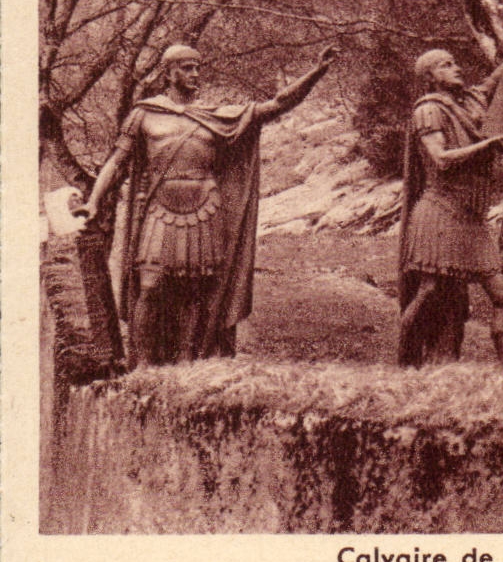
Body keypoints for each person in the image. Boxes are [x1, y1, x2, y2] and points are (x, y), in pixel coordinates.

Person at [74, 43, 336, 365]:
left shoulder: (216, 117)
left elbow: (277, 105)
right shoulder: (144, 113)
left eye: (197, 67)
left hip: (205, 210)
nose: (195, 74)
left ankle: (187, 363)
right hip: (160, 209)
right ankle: (142, 365)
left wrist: (316, 72)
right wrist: (94, 202)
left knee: (195, 292)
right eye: (187, 68)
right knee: (152, 285)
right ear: (169, 73)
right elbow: (117, 161)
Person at [397, 49, 503, 366]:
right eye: (445, 65)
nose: (456, 68)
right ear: (430, 77)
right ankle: (408, 357)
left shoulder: (471, 101)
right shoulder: (428, 111)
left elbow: (497, 78)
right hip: (440, 212)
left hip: (471, 217)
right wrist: (487, 147)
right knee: (431, 292)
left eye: (454, 62)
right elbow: (441, 158)